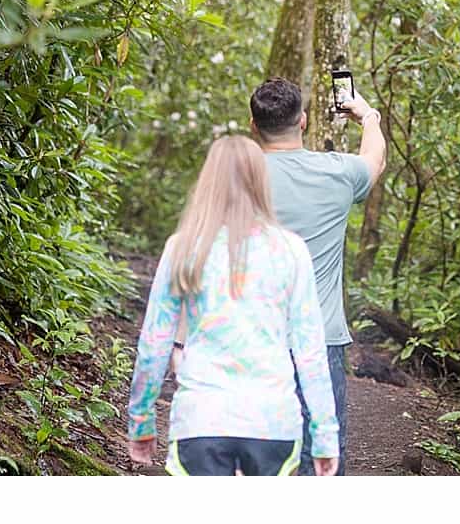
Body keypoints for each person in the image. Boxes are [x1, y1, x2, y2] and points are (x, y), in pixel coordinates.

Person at [125, 133, 338, 476]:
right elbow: (310, 350)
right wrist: (326, 435)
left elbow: (154, 343)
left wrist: (141, 421)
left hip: (201, 421)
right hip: (273, 423)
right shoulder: (291, 250)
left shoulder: (183, 247)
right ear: (260, 180)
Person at [250, 75, 387, 475]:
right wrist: (367, 116)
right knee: (320, 460)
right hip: (319, 341)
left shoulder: (239, 177)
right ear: (304, 121)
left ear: (254, 126)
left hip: (252, 338)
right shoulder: (337, 174)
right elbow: (374, 159)